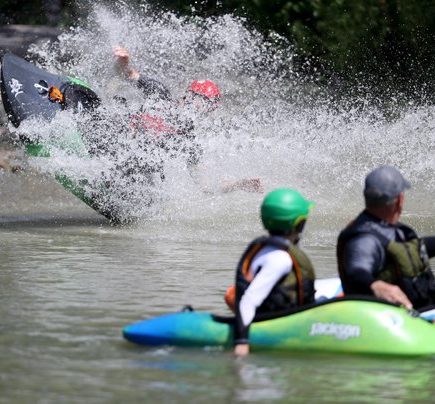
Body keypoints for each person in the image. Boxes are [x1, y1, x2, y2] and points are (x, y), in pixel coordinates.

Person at [112, 46, 262, 194]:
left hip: (137, 174)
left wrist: (239, 184)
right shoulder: (159, 94)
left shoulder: (188, 143)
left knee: (146, 177)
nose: (203, 112)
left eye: (208, 109)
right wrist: (123, 63)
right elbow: (128, 74)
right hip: (116, 145)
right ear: (189, 95)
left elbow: (207, 187)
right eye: (203, 104)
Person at [336, 165, 435, 310]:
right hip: (400, 318)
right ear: (399, 199)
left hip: (426, 307)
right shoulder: (364, 239)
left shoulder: (390, 229)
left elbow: (413, 251)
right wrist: (375, 285)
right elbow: (357, 271)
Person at [232, 188, 316, 356]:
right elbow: (249, 300)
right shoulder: (280, 258)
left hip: (282, 313)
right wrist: (242, 342)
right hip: (279, 321)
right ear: (299, 223)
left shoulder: (270, 249)